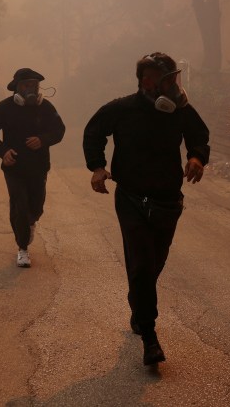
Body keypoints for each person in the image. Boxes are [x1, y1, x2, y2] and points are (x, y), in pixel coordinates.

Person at [83, 52, 210, 365]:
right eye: (168, 79)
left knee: (152, 265)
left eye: (174, 78)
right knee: (141, 264)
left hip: (168, 201)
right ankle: (150, 336)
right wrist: (97, 167)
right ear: (147, 80)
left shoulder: (180, 111)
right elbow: (93, 132)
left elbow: (199, 136)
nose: (174, 85)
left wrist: (196, 157)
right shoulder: (122, 109)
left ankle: (138, 305)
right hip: (131, 199)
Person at [0, 68, 65, 268]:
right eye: (26, 85)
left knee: (36, 206)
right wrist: (3, 152)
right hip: (14, 168)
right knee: (19, 205)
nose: (30, 89)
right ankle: (22, 249)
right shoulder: (3, 108)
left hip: (39, 168)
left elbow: (59, 130)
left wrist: (43, 139)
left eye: (34, 85)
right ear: (16, 88)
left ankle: (30, 222)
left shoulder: (45, 107)